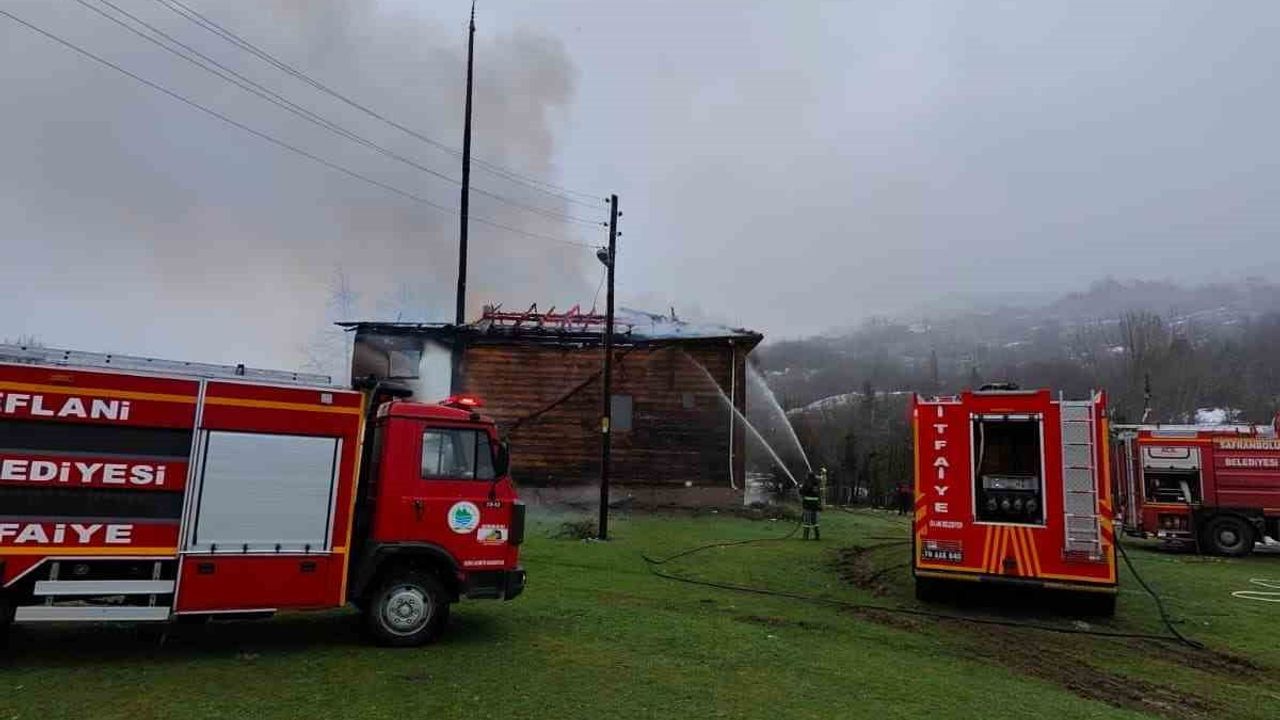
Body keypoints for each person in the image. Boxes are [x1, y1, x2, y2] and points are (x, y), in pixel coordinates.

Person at [800, 472, 822, 540]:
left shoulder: (807, 483)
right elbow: (818, 494)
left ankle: (805, 536)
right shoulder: (817, 484)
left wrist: (800, 488)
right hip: (815, 505)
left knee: (807, 521)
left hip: (808, 505)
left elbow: (802, 492)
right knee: (815, 521)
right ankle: (817, 536)